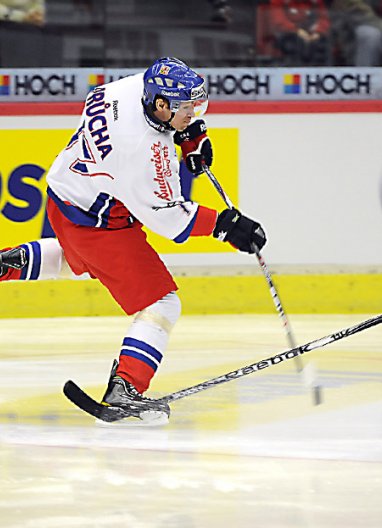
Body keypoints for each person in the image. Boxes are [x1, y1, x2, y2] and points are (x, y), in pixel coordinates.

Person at [0, 57, 267, 425]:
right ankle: (126, 388)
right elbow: (171, 221)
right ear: (160, 105)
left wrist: (187, 134)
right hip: (97, 223)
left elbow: (154, 126)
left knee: (82, 261)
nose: (194, 111)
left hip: (65, 195)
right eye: (186, 107)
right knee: (162, 302)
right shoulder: (145, 154)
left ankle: (7, 263)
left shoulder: (126, 88)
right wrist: (226, 225)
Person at [268, 0, 331, 65]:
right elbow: (279, 22)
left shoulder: (317, 2)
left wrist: (318, 32)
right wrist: (297, 31)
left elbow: (325, 19)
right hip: (288, 42)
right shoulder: (278, 1)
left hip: (313, 42)